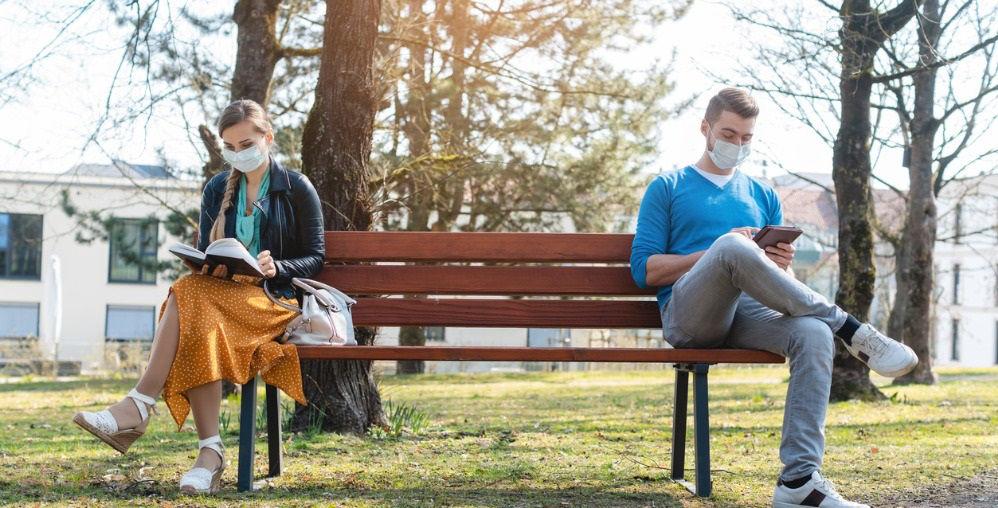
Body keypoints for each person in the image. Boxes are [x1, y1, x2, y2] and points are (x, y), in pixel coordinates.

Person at [630, 88, 917, 508]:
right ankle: (849, 326)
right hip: (691, 317)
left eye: (747, 138)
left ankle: (799, 481)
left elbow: (779, 282)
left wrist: (780, 263)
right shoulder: (668, 187)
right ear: (705, 128)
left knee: (813, 333)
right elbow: (646, 271)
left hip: (748, 315)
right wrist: (718, 249)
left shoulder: (763, 194)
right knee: (730, 247)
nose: (738, 145)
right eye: (729, 134)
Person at [73, 99, 325, 495]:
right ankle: (206, 452)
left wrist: (280, 267)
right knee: (193, 298)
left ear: (267, 138)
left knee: (188, 298)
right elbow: (206, 253)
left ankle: (143, 409)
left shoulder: (296, 188)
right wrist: (209, 265)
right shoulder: (216, 189)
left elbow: (315, 256)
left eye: (246, 144)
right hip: (222, 296)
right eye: (230, 147)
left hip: (273, 302)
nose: (238, 154)